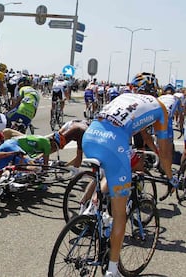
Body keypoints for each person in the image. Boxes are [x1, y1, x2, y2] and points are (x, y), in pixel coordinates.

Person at [82, 72, 174, 277]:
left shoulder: (123, 96)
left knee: (112, 169)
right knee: (120, 215)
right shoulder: (160, 107)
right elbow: (166, 152)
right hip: (114, 144)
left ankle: (92, 207)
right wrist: (170, 176)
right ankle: (113, 270)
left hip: (90, 137)